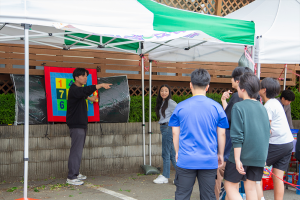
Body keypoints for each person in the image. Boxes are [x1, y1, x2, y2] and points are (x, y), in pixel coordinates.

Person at [169, 68, 228, 200]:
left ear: (190, 85)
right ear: (208, 87)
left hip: (186, 159)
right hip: (208, 160)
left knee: (182, 196)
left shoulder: (180, 107)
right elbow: (222, 134)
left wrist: (177, 151)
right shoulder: (217, 107)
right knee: (208, 196)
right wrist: (220, 154)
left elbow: (174, 132)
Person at [224, 73, 270, 200]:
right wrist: (263, 156)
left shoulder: (238, 107)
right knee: (250, 187)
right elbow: (267, 133)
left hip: (242, 155)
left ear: (243, 88)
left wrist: (237, 159)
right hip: (259, 156)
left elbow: (237, 136)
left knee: (230, 186)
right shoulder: (262, 108)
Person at [66, 68, 112, 185]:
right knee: (76, 151)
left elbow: (82, 94)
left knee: (78, 150)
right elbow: (83, 91)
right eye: (83, 76)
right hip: (76, 125)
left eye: (86, 76)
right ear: (76, 78)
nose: (85, 78)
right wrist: (100, 85)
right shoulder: (74, 89)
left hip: (81, 124)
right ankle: (71, 177)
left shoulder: (77, 90)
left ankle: (75, 172)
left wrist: (89, 98)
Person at [215, 67, 253, 199]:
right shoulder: (254, 99)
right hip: (247, 143)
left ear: (237, 80)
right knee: (250, 184)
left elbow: (227, 120)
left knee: (226, 176)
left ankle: (217, 196)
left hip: (232, 141)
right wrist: (224, 102)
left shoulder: (238, 95)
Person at [258, 78, 294, 200]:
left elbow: (266, 131)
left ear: (263, 90)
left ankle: (260, 198)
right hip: (288, 143)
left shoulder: (268, 106)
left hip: (277, 144)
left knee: (255, 168)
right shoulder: (275, 103)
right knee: (278, 177)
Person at [153, 84, 177, 184]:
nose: (163, 92)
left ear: (169, 92)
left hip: (168, 128)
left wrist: (174, 122)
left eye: (166, 91)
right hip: (164, 128)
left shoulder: (171, 102)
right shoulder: (162, 102)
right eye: (162, 90)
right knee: (172, 154)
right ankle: (182, 177)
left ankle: (165, 176)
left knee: (165, 153)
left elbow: (180, 111)